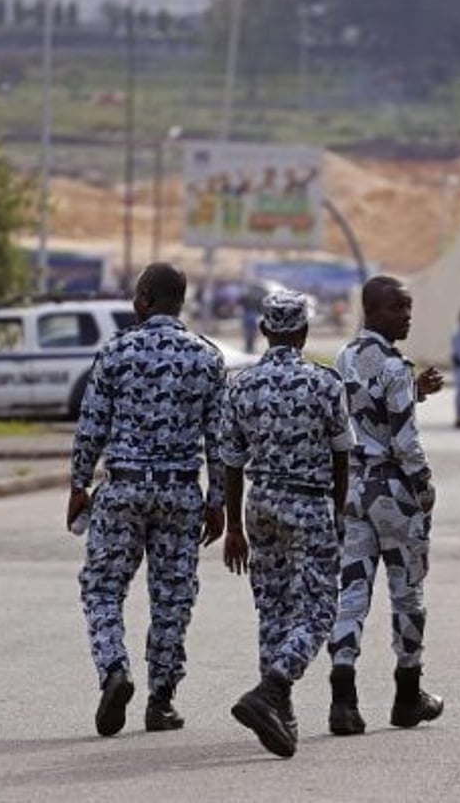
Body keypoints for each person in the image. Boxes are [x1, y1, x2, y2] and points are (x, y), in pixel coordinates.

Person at [66, 262, 226, 738]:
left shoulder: (116, 352)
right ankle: (161, 701)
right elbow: (218, 440)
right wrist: (217, 500)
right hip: (180, 491)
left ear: (142, 299)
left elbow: (91, 426)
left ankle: (115, 668)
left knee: (102, 589)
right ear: (182, 301)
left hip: (123, 487)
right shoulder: (208, 358)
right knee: (172, 597)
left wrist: (78, 485)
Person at [220, 290, 354, 758]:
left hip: (260, 505)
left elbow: (231, 461)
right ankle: (272, 689)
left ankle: (280, 715)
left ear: (263, 330)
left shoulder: (240, 385)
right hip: (310, 503)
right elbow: (342, 456)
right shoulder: (324, 384)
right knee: (319, 610)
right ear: (303, 332)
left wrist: (234, 526)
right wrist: (339, 513)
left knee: (274, 610)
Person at [328, 275, 445, 736]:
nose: (408, 316)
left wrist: (415, 391)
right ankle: (407, 694)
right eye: (399, 308)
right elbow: (403, 440)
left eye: (408, 307)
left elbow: (363, 411)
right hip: (394, 494)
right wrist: (424, 487)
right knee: (407, 592)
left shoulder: (345, 357)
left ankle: (343, 699)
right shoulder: (396, 367)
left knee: (352, 593)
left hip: (354, 490)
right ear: (373, 311)